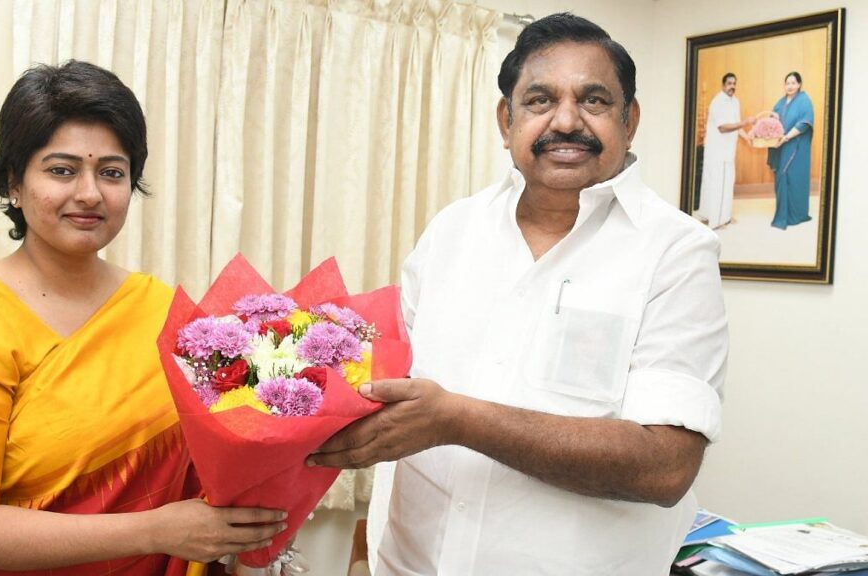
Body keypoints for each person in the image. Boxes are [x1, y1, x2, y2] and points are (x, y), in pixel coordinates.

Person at [308, 13, 727, 575]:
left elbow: (664, 468)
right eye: (539, 100)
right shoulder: (452, 230)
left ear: (630, 121)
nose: (567, 120)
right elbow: (385, 379)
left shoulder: (677, 252)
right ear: (506, 121)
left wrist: (456, 419)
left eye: (595, 100)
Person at [0, 61, 285, 575]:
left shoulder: (161, 310)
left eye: (111, 172)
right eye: (61, 170)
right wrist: (156, 530)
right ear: (13, 183)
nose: (89, 194)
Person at [695, 73, 754, 229]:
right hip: (717, 152)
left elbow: (736, 124)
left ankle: (725, 217)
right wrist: (745, 123)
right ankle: (715, 220)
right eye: (729, 83)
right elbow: (722, 127)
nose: (732, 86)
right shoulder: (717, 102)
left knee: (727, 184)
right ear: (723, 85)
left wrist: (747, 136)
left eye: (734, 83)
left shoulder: (735, 101)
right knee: (716, 185)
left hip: (728, 152)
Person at [768, 71, 814, 229]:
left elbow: (805, 123)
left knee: (795, 179)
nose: (790, 86)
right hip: (779, 147)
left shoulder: (804, 101)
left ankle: (797, 214)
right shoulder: (780, 103)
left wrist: (786, 137)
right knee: (781, 177)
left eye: (793, 83)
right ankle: (783, 213)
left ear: (799, 84)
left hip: (797, 147)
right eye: (787, 83)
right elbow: (772, 122)